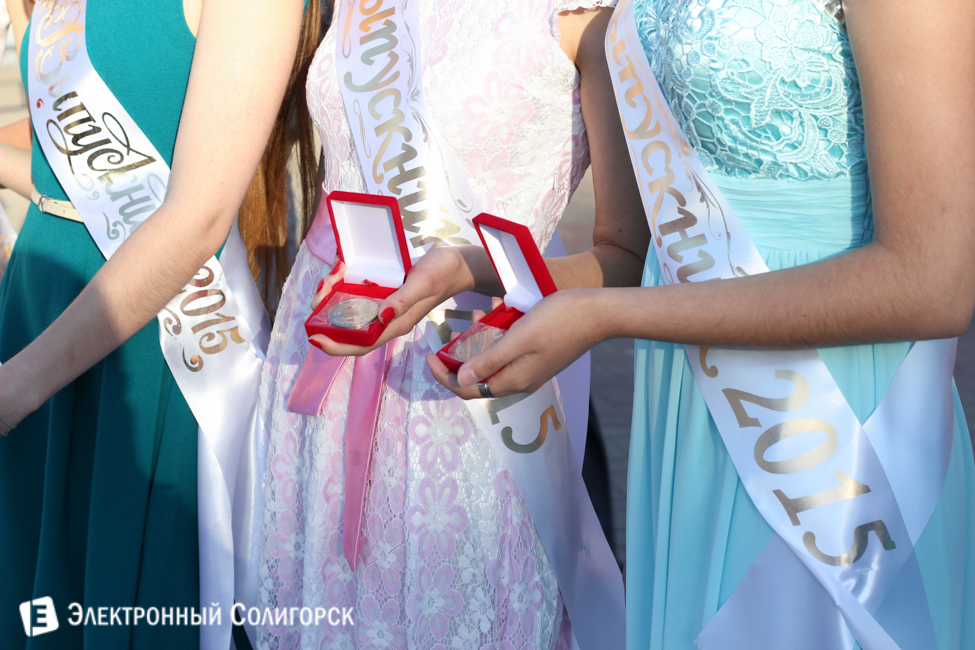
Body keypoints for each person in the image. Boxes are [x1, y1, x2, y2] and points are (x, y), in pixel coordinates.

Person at [431, 0, 975, 648]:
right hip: (691, 408)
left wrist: (603, 318)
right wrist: (468, 268)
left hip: (840, 419)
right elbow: (625, 256)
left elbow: (932, 283)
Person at [254, 0, 648, 648]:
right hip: (326, 352)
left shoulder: (585, 16)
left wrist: (467, 267)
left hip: (467, 381)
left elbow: (623, 258)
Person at [0, 1, 321, 648]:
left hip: (152, 343)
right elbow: (52, 165)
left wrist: (15, 388)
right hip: (36, 314)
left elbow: (198, 218)